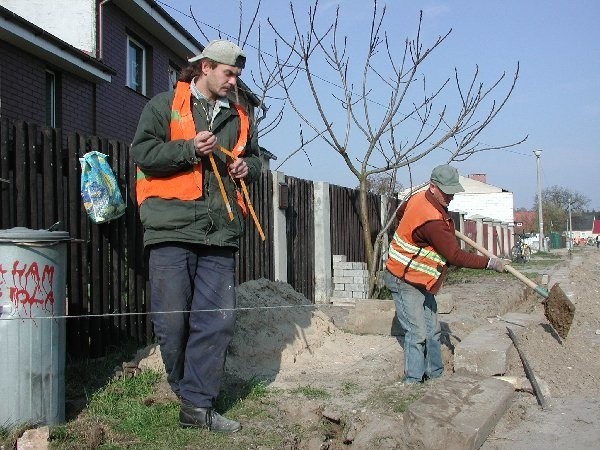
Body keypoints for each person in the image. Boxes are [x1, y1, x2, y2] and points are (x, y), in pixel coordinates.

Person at [130, 40, 261, 433]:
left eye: (237, 75)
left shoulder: (239, 116)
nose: (234, 81)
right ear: (205, 67)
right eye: (228, 73)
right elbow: (143, 153)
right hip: (170, 227)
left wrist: (246, 168)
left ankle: (197, 406)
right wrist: (188, 149)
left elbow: (253, 156)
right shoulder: (164, 105)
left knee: (217, 322)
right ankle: (182, 388)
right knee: (173, 323)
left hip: (219, 231)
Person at [383, 165, 507, 384]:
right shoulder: (432, 222)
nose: (450, 196)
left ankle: (436, 375)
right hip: (403, 279)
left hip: (421, 279)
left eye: (452, 191)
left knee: (433, 331)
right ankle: (412, 381)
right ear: (432, 186)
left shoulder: (419, 198)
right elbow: (455, 256)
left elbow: (402, 214)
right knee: (418, 333)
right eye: (446, 191)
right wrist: (490, 262)